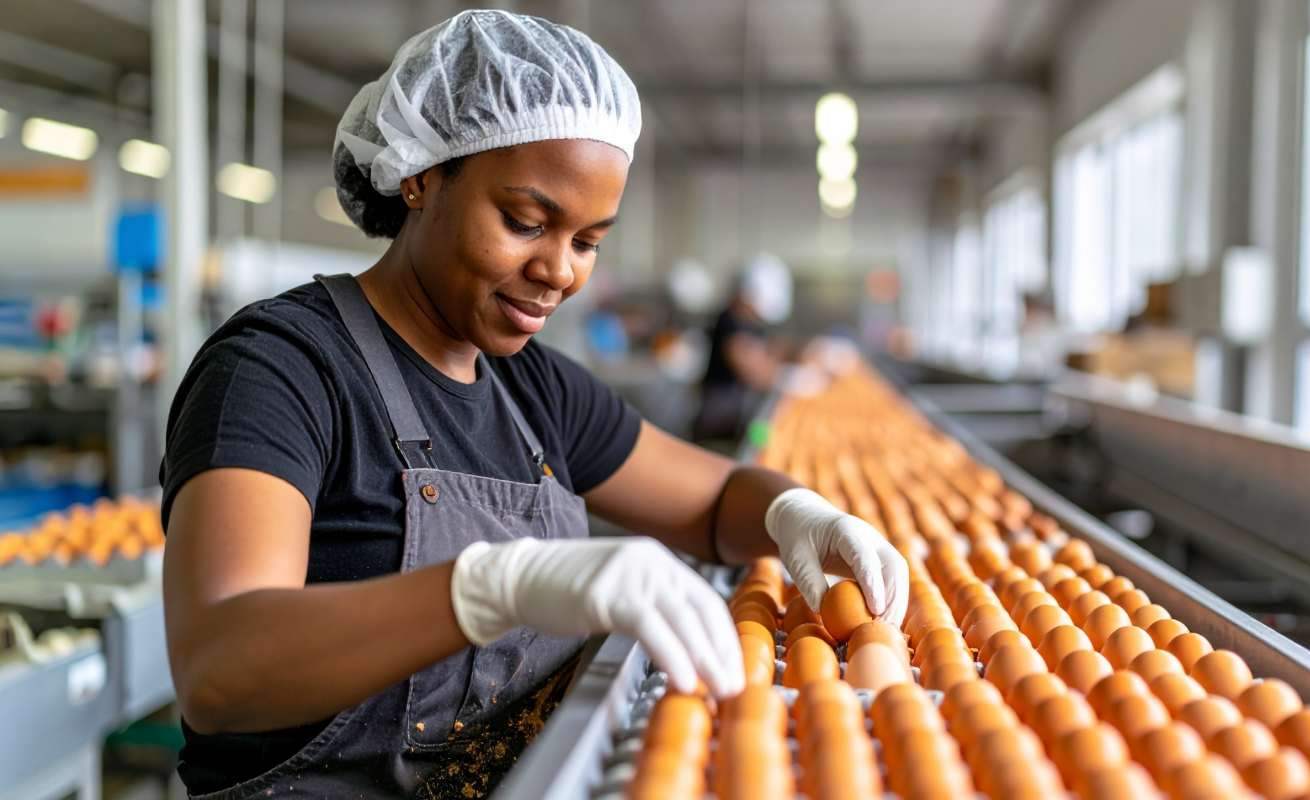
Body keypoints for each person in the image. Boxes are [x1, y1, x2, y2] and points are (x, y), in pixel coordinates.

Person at [159, 12, 908, 798]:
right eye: (524, 222)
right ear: (421, 175)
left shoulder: (531, 387)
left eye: (588, 241)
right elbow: (219, 667)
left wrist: (799, 514)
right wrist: (493, 587)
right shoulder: (281, 370)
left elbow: (717, 500)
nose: (559, 271)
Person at [691, 253, 821, 443]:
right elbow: (752, 370)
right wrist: (791, 379)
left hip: (738, 413)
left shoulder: (749, 323)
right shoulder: (730, 323)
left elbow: (770, 349)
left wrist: (805, 349)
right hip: (721, 420)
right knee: (764, 440)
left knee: (772, 435)